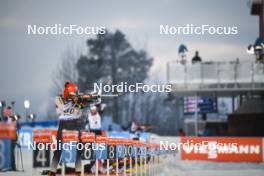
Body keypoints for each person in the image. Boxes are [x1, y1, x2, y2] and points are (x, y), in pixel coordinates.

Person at [49, 82, 98, 176]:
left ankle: (78, 171)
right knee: (59, 149)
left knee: (79, 148)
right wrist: (75, 102)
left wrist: (90, 99)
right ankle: (52, 171)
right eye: (72, 93)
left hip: (75, 124)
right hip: (63, 125)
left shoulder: (77, 99)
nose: (75, 94)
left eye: (75, 93)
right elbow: (64, 109)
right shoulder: (59, 98)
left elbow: (87, 106)